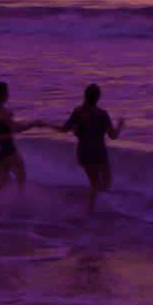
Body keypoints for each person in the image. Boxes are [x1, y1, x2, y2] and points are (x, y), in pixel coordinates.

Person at [55, 83, 125, 214]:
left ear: (85, 96)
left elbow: (64, 129)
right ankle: (87, 206)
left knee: (94, 183)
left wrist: (46, 125)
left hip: (83, 153)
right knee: (106, 182)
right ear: (98, 98)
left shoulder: (77, 112)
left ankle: (88, 204)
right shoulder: (102, 115)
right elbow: (113, 135)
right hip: (98, 153)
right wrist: (120, 125)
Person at [0, 81, 44, 215]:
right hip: (4, 147)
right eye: (7, 92)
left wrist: (27, 122)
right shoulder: (3, 111)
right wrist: (33, 125)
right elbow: (17, 128)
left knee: (3, 178)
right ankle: (19, 201)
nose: (8, 94)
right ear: (2, 95)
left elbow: (8, 124)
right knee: (21, 170)